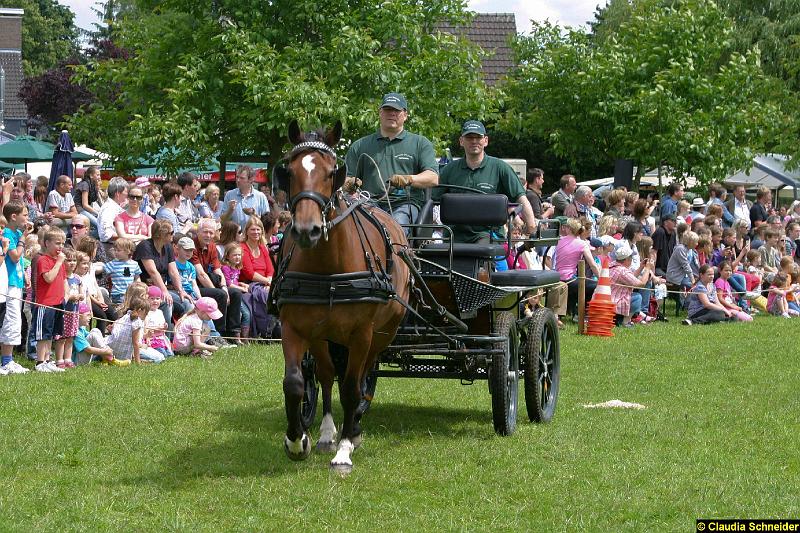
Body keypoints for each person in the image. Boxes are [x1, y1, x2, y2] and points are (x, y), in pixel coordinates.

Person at [344, 92, 439, 225]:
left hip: (405, 205)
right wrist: (349, 183)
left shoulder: (420, 143)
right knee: (357, 228)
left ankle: (399, 246)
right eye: (388, 109)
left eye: (397, 110)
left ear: (405, 115)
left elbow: (433, 178)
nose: (392, 113)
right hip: (368, 203)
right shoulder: (360, 145)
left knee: (397, 223)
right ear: (380, 113)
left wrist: (408, 179)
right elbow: (345, 179)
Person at [436, 120, 536, 243]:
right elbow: (432, 201)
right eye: (469, 137)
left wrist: (531, 226)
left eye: (478, 137)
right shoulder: (449, 170)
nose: (474, 141)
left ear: (486, 140)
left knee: (484, 251)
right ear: (461, 141)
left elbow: (520, 197)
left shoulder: (500, 167)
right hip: (453, 236)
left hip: (488, 235)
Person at [192, 218, 239, 341]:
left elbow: (218, 270)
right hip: (196, 286)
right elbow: (201, 275)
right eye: (205, 232)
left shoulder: (212, 246)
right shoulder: (192, 246)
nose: (208, 235)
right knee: (219, 295)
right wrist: (220, 292)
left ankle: (234, 333)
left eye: (211, 233)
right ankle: (218, 334)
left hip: (209, 282)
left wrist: (224, 288)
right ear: (198, 232)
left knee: (235, 293)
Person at [133, 219, 186, 327]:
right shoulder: (145, 246)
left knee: (187, 301)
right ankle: (165, 337)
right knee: (167, 302)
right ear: (162, 234)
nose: (173, 235)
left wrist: (181, 290)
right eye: (171, 233)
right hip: (145, 288)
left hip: (160, 287)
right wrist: (164, 291)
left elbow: (173, 271)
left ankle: (185, 337)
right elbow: (153, 272)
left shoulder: (168, 247)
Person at [0, 200, 31, 375]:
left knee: (15, 321)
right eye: (25, 215)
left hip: (17, 281)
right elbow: (15, 257)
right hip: (9, 284)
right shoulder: (8, 234)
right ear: (14, 216)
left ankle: (8, 360)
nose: (27, 218)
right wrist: (23, 238)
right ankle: (6, 361)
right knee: (11, 321)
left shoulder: (17, 233)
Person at [33, 227, 68, 372]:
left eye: (62, 244)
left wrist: (65, 296)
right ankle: (40, 362)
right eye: (57, 243)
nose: (60, 247)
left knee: (51, 334)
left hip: (58, 303)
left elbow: (63, 280)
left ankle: (47, 360)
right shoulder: (43, 260)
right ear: (47, 243)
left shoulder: (58, 260)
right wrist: (59, 262)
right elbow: (48, 278)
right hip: (45, 304)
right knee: (43, 334)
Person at [106, 295, 166, 363]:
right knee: (160, 358)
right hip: (123, 354)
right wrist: (138, 362)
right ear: (140, 310)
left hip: (111, 348)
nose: (146, 315)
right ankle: (137, 360)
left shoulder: (126, 315)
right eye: (146, 313)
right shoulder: (137, 321)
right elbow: (136, 344)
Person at [609, 243, 653, 326]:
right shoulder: (622, 271)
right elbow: (641, 284)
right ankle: (625, 322)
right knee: (637, 297)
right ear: (626, 260)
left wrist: (641, 267)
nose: (632, 259)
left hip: (609, 300)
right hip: (615, 303)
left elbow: (631, 278)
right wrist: (647, 268)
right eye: (631, 258)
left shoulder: (612, 266)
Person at [104, 237, 142, 305]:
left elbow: (137, 277)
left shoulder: (134, 264)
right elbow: (103, 270)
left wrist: (138, 288)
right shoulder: (113, 263)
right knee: (121, 309)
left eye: (118, 250)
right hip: (118, 293)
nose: (115, 252)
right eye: (115, 250)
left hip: (130, 293)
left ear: (128, 251)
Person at [97, 177, 129, 254]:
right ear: (118, 193)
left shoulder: (114, 207)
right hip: (111, 250)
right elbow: (106, 234)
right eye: (126, 192)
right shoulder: (108, 209)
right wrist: (129, 235)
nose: (127, 195)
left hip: (117, 248)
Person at [173, 236, 202, 316]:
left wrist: (200, 298)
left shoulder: (191, 266)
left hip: (191, 293)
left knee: (204, 306)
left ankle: (211, 329)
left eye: (191, 250)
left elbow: (194, 285)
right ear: (178, 249)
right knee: (191, 305)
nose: (189, 252)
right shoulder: (173, 264)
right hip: (178, 292)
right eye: (186, 250)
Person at [143, 286, 173, 359]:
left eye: (157, 298)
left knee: (170, 355)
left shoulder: (160, 312)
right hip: (152, 339)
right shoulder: (146, 313)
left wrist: (165, 326)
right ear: (146, 300)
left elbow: (163, 325)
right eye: (152, 299)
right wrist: (157, 328)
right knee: (163, 355)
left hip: (161, 338)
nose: (155, 301)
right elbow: (145, 329)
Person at [73, 166, 103, 235]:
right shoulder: (85, 184)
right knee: (100, 227)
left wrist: (97, 189)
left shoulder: (93, 185)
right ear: (91, 176)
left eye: (99, 175)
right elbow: (85, 205)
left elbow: (101, 204)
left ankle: (85, 237)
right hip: (80, 209)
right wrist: (98, 213)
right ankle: (84, 238)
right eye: (97, 175)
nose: (99, 177)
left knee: (103, 226)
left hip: (85, 210)